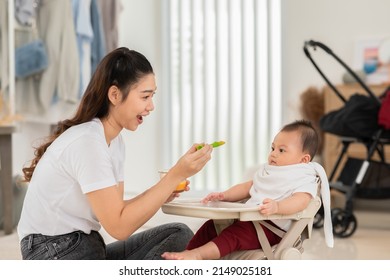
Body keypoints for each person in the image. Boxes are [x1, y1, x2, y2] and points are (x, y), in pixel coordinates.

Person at [17, 47, 214, 260]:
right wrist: (174, 175)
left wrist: (162, 191)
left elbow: (119, 211)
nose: (151, 106)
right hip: (54, 253)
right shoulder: (88, 141)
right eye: (145, 97)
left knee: (178, 234)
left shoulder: (115, 142)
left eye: (152, 96)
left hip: (85, 248)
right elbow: (118, 227)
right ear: (114, 95)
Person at [162, 120, 333, 260]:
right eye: (272, 148)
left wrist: (277, 207)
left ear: (304, 159)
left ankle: (198, 256)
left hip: (271, 228)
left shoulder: (304, 176)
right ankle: (186, 255)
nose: (273, 154)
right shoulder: (268, 170)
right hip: (252, 220)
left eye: (282, 150)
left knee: (234, 235)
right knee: (211, 226)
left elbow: (302, 200)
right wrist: (225, 195)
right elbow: (248, 187)